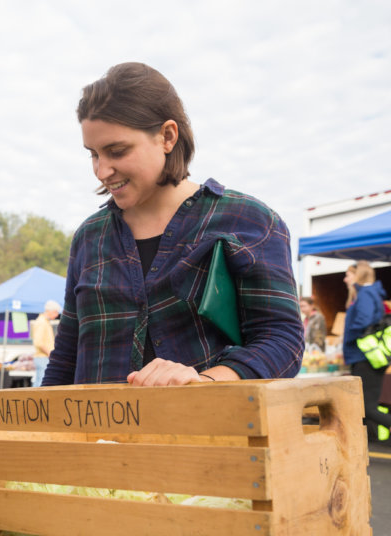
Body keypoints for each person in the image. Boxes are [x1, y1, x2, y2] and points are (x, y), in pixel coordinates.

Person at [43, 63, 303, 387]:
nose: (101, 170)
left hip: (209, 433)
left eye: (117, 151)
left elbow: (282, 342)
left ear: (167, 136)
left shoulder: (250, 222)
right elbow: (66, 357)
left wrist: (205, 381)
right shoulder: (89, 238)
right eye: (93, 154)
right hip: (95, 436)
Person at [342, 261, 391, 445]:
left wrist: (349, 338)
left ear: (358, 275)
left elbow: (364, 321)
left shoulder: (365, 294)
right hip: (366, 357)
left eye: (348, 274)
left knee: (368, 407)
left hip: (365, 357)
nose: (346, 279)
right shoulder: (369, 293)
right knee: (363, 405)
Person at [30, 299, 61, 387]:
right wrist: (49, 353)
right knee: (41, 382)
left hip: (43, 357)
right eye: (56, 312)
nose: (57, 315)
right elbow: (38, 343)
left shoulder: (44, 322)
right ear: (50, 311)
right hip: (42, 357)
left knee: (40, 380)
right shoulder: (42, 323)